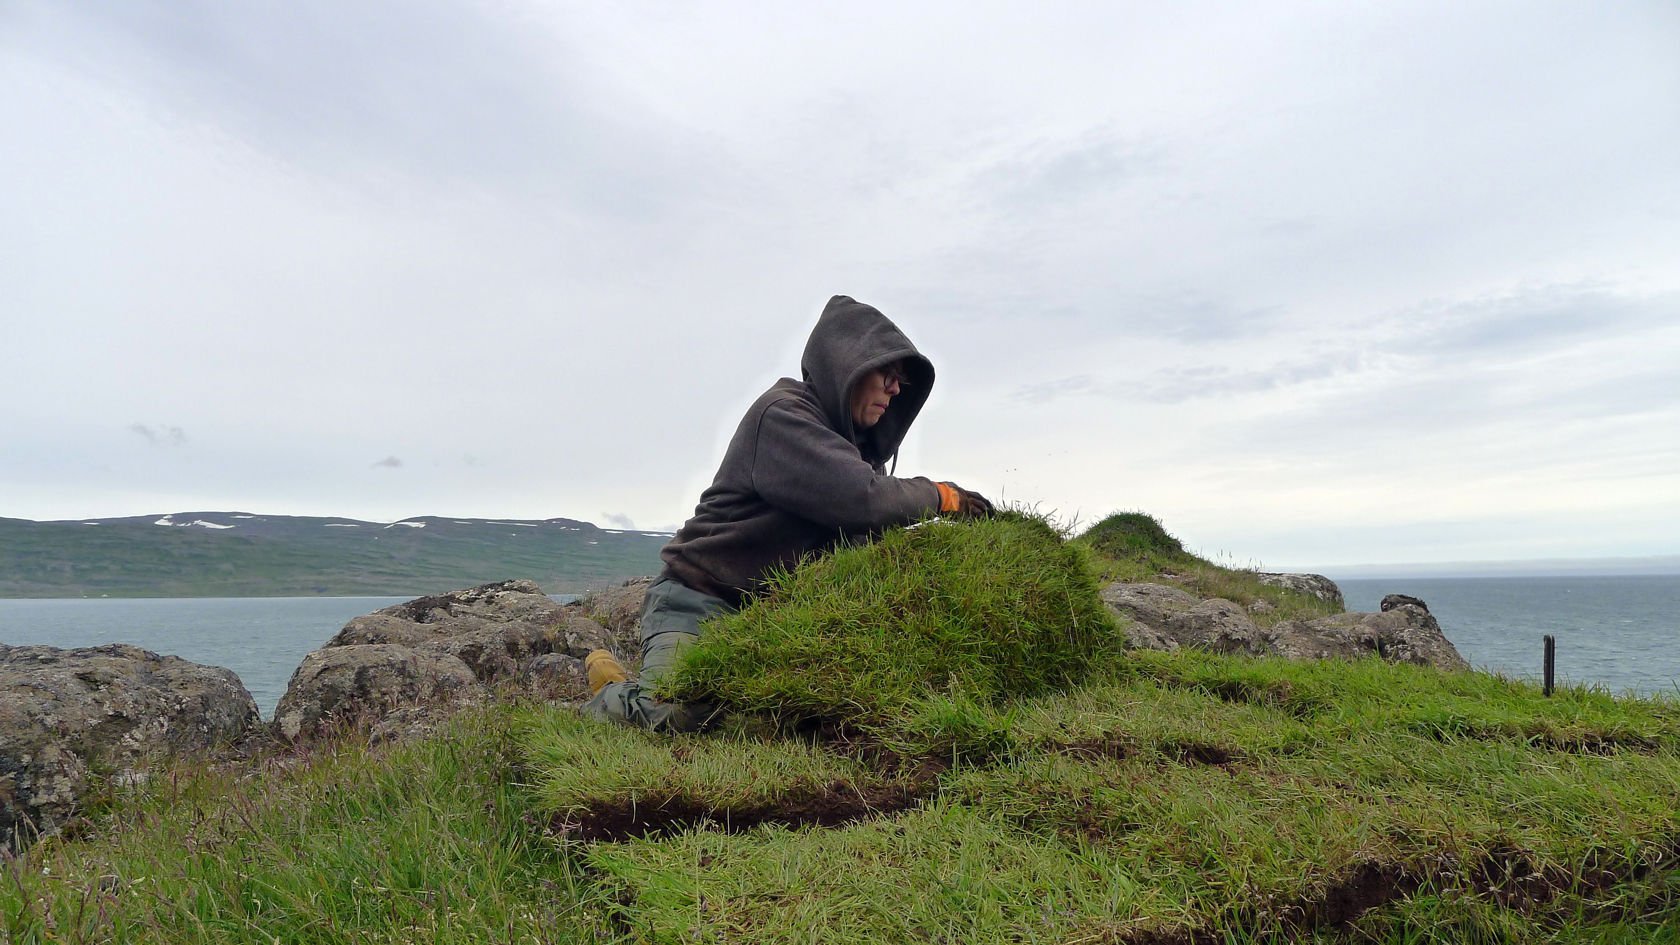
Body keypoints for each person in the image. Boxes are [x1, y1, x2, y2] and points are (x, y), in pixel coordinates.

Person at [581, 295, 994, 732]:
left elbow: (865, 529)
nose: (895, 389)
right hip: (698, 601)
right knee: (682, 713)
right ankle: (611, 694)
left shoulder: (851, 449)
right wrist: (942, 496)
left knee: (792, 720)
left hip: (770, 619)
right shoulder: (784, 417)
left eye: (900, 381)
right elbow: (865, 501)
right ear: (845, 364)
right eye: (886, 374)